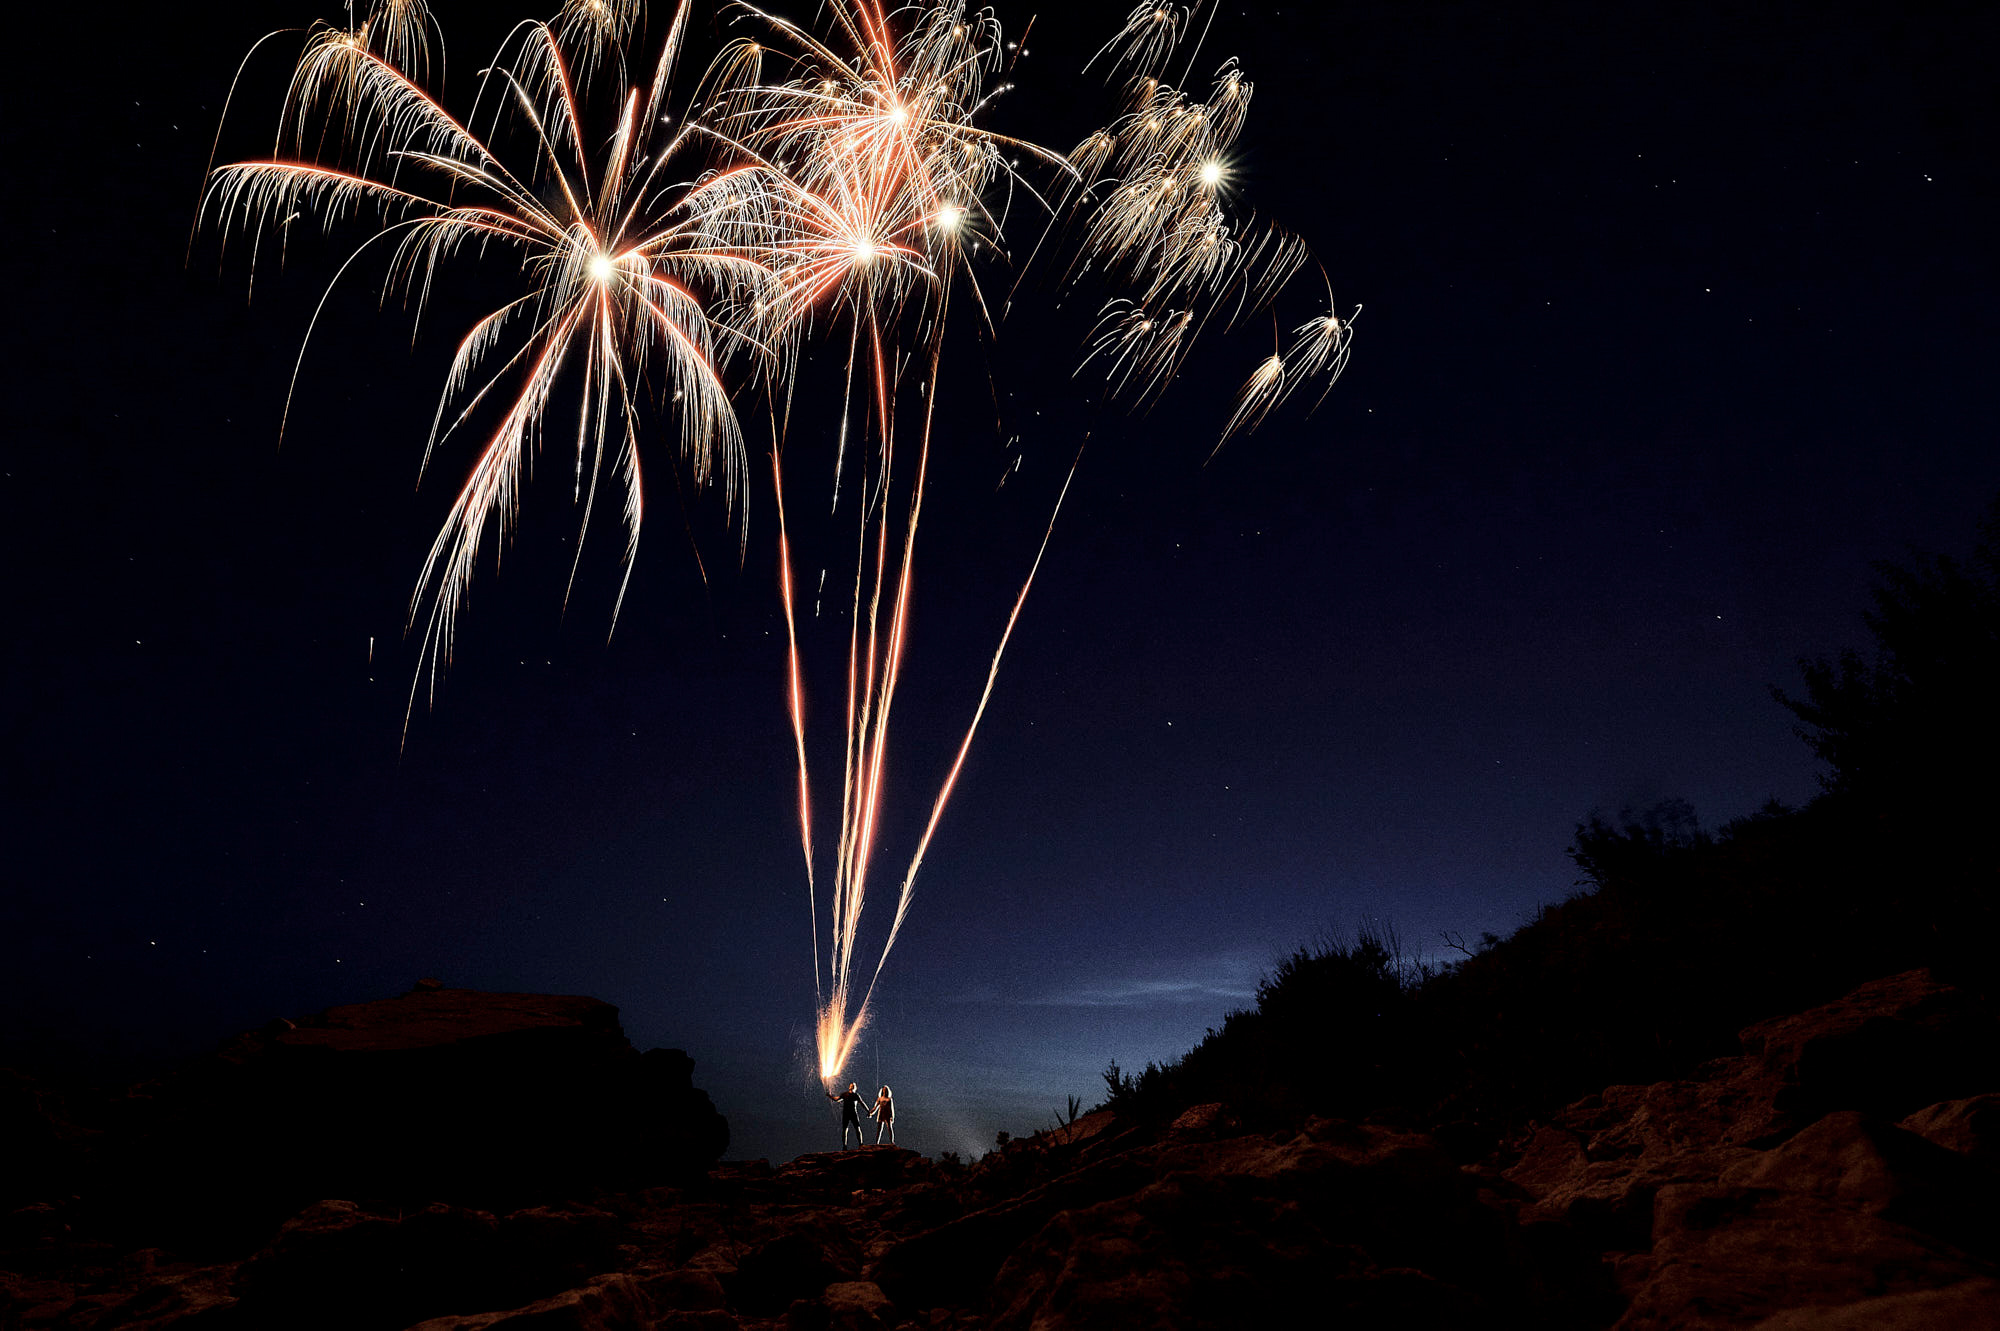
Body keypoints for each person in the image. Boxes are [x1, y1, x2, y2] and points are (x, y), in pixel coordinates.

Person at [827, 1082, 866, 1149]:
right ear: (849, 1087)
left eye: (853, 1085)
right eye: (851, 1085)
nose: (852, 1086)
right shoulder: (844, 1094)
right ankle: (844, 1146)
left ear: (855, 1088)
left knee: (857, 1128)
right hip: (846, 1114)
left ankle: (861, 1144)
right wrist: (829, 1096)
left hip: (853, 1113)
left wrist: (868, 1111)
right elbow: (836, 1099)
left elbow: (862, 1103)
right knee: (845, 1130)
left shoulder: (855, 1095)